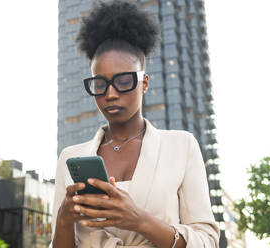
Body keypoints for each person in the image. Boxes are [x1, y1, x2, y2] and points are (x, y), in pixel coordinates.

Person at [50, 1, 220, 247]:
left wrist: (139, 220)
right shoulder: (70, 157)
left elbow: (207, 241)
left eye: (124, 81)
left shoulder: (181, 146)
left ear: (145, 83)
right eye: (100, 83)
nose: (110, 94)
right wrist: (65, 219)